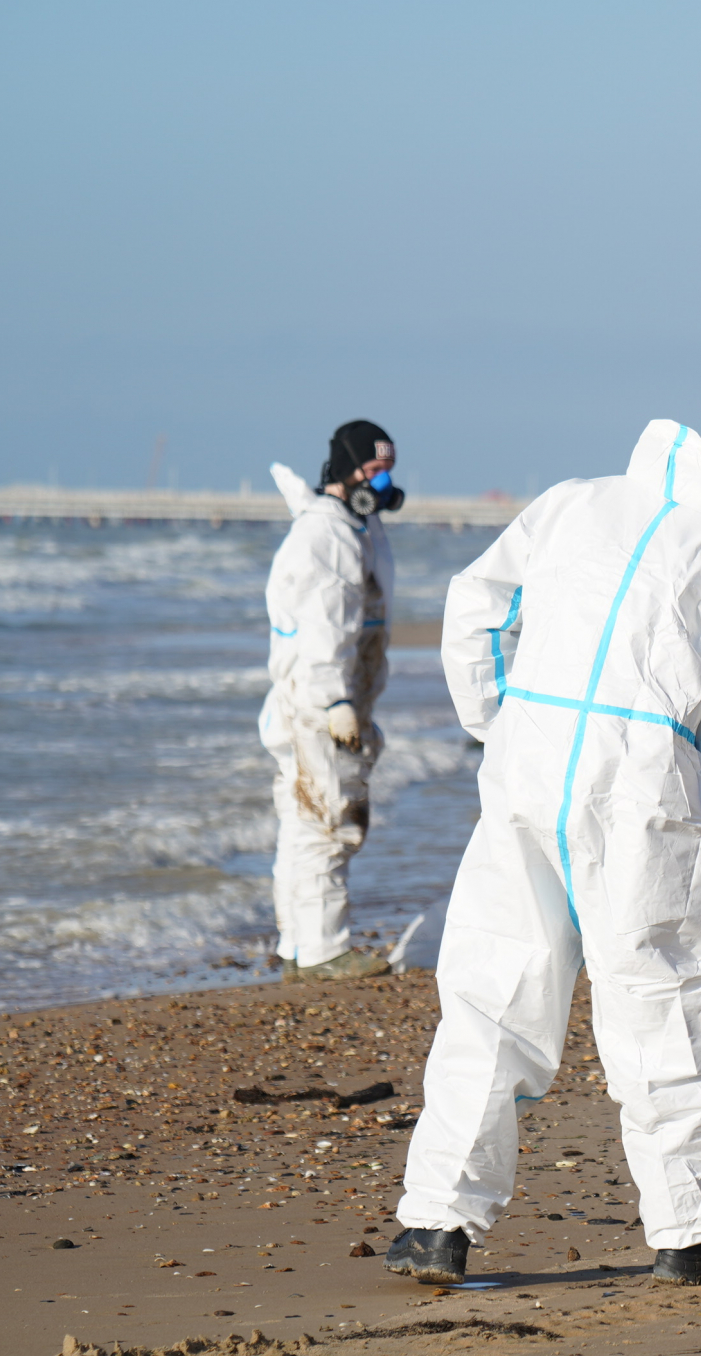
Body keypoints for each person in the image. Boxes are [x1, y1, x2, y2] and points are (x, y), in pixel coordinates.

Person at [387, 396, 701, 1289]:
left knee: (494, 990)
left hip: (529, 764)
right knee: (660, 996)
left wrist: (499, 720)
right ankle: (696, 1230)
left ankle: (435, 1222)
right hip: (645, 786)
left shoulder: (576, 499)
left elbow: (475, 605)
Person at [260, 419, 405, 983]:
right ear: (346, 471)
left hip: (308, 700)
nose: (384, 479)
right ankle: (324, 948)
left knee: (300, 820)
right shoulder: (327, 537)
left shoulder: (348, 526)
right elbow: (325, 631)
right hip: (319, 702)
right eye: (373, 469)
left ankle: (296, 943)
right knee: (329, 817)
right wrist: (336, 703)